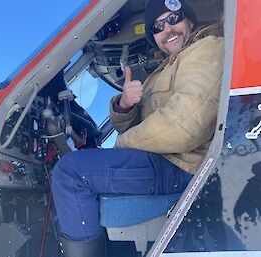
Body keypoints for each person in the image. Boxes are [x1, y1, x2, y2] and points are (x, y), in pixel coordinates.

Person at [52, 0, 224, 256]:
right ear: (154, 36)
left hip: (181, 165)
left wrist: (124, 143)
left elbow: (185, 126)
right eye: (158, 26)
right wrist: (124, 105)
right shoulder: (164, 69)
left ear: (189, 20)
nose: (168, 29)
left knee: (71, 172)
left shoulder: (207, 48)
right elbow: (142, 128)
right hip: (163, 160)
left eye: (174, 19)